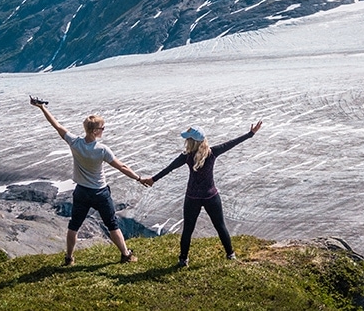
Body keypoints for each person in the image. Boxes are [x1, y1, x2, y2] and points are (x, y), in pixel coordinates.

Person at [30, 96, 143, 266]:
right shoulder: (102, 150)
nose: (103, 130)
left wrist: (42, 108)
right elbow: (122, 167)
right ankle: (126, 254)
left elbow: (57, 126)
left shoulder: (75, 143)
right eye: (102, 128)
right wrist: (139, 178)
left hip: (81, 191)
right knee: (112, 224)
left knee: (74, 226)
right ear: (95, 131)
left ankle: (69, 258)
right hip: (100, 192)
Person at [141, 121, 263, 267]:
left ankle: (183, 259)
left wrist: (153, 180)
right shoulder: (212, 153)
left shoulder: (186, 156)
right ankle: (230, 254)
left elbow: (169, 168)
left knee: (188, 229)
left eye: (188, 139)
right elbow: (231, 143)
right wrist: (250, 134)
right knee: (220, 226)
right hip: (211, 196)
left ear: (192, 141)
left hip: (192, 197)